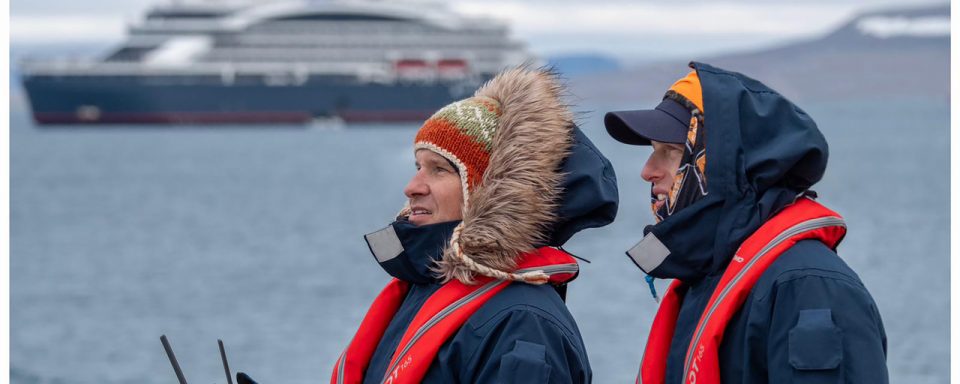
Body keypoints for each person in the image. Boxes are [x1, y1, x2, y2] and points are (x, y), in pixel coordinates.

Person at [604, 62, 887, 383]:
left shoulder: (808, 286)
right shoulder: (708, 272)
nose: (647, 170)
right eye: (654, 151)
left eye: (669, 151)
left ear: (725, 164)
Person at [332, 66, 619, 384]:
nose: (412, 186)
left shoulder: (522, 323)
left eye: (438, 169)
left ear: (490, 190)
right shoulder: (425, 286)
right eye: (418, 166)